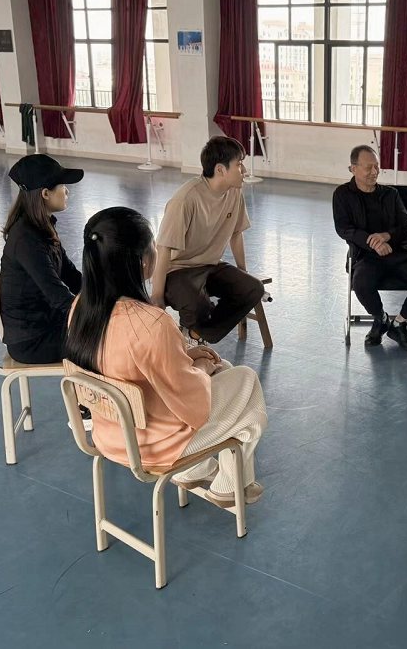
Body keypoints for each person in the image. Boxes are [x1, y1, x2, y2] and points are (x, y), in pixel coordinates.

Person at [65, 207, 267, 506]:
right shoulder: (152, 322)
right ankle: (229, 485)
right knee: (247, 384)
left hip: (110, 432)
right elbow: (191, 400)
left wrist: (185, 355)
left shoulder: (81, 308)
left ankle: (202, 471)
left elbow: (130, 363)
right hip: (154, 445)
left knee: (223, 367)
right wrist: (200, 366)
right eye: (153, 246)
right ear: (142, 261)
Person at [150, 136, 264, 345]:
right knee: (198, 305)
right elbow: (163, 247)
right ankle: (196, 335)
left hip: (210, 265)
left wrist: (243, 273)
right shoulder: (186, 199)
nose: (244, 170)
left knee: (253, 288)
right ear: (220, 169)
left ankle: (195, 334)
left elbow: (236, 234)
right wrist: (157, 295)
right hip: (177, 270)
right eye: (239, 164)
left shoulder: (234, 192)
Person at [333, 145, 407, 351]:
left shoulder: (391, 194)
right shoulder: (342, 194)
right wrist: (372, 242)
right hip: (366, 255)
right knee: (361, 283)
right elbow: (344, 229)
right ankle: (380, 319)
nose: (374, 172)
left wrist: (386, 236)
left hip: (400, 251)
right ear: (353, 169)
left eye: (377, 166)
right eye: (368, 167)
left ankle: (399, 324)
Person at [0, 154, 84, 364]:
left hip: (49, 323)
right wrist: (103, 314)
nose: (67, 191)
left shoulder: (41, 226)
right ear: (45, 193)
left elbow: (71, 276)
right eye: (62, 186)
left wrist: (110, 295)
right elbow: (59, 297)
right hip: (33, 340)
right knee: (110, 339)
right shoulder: (26, 239)